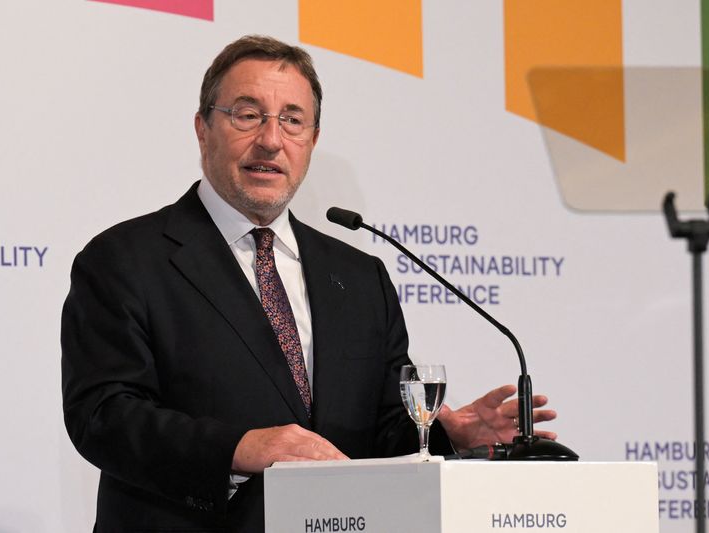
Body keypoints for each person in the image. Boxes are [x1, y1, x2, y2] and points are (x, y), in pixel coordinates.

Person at [61, 35, 557, 532]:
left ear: (312, 141)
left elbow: (378, 433)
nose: (271, 140)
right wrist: (240, 447)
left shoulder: (361, 277)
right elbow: (103, 415)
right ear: (203, 128)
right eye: (247, 114)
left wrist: (444, 434)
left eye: (292, 120)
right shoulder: (125, 259)